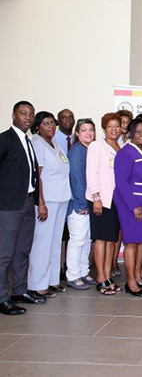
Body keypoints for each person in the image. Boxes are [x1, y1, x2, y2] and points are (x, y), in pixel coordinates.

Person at [0, 102, 46, 315]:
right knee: (5, 254)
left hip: (28, 202)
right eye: (23, 113)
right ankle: (2, 297)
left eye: (30, 114)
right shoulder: (4, 139)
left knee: (22, 251)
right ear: (13, 115)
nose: (28, 117)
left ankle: (19, 290)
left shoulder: (28, 141)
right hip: (9, 205)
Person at [113, 119, 142, 297]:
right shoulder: (125, 153)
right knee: (132, 242)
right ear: (130, 133)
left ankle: (139, 275)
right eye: (138, 132)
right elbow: (121, 182)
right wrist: (135, 207)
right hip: (132, 205)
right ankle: (131, 281)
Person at [25, 112, 70, 298]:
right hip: (47, 201)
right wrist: (41, 203)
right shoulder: (37, 143)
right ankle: (37, 284)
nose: (51, 126)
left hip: (61, 198)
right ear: (37, 126)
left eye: (52, 123)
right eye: (46, 123)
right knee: (42, 244)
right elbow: (38, 176)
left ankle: (51, 281)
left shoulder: (55, 143)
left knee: (54, 243)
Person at [86, 113, 122, 295]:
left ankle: (108, 276)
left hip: (116, 201)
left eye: (117, 126)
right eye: (110, 126)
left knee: (111, 240)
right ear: (104, 128)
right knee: (101, 239)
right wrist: (96, 197)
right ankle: (100, 278)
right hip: (101, 200)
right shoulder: (96, 146)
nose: (114, 129)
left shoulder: (121, 146)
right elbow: (91, 173)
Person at [65, 118, 96, 290]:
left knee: (87, 239)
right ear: (77, 133)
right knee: (77, 239)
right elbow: (77, 179)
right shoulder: (77, 150)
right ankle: (73, 275)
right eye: (84, 130)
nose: (88, 133)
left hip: (88, 203)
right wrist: (82, 203)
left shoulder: (90, 149)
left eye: (91, 129)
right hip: (79, 205)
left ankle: (83, 271)